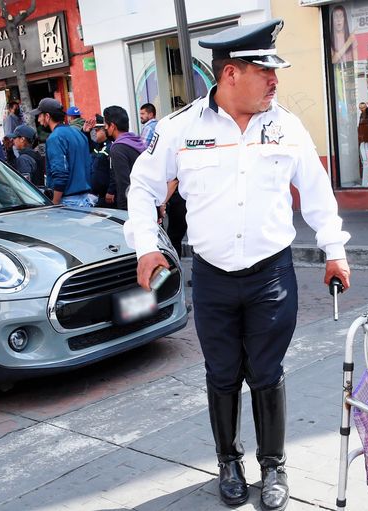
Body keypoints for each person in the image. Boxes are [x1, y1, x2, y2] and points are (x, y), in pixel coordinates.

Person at [124, 19, 351, 511]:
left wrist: (335, 251)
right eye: (264, 71)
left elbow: (316, 195)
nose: (275, 82)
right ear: (230, 74)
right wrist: (146, 246)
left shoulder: (286, 126)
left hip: (271, 275)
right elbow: (141, 189)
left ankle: (274, 466)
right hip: (212, 279)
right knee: (222, 373)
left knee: (267, 372)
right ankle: (229, 461)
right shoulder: (180, 129)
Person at [31, 97, 94, 206]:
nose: (38, 120)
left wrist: (54, 203)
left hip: (68, 201)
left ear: (47, 116)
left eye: (40, 115)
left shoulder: (55, 138)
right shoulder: (78, 133)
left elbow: (60, 174)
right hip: (85, 199)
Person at [104, 106, 146, 210]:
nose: (105, 128)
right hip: (145, 200)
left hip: (132, 206)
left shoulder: (118, 148)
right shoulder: (137, 141)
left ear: (112, 126)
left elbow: (124, 183)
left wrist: (123, 208)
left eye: (106, 125)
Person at [88, 115, 116, 207]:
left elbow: (114, 171)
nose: (94, 133)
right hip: (96, 196)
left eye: (97, 130)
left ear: (105, 130)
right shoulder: (97, 146)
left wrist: (111, 190)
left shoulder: (111, 147)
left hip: (107, 196)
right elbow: (88, 144)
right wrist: (86, 132)